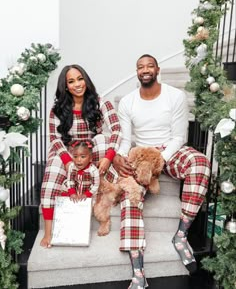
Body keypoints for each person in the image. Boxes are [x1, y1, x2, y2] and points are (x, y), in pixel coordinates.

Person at [113, 54, 211, 289]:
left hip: (170, 150)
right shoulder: (127, 102)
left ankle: (181, 235)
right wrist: (120, 157)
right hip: (142, 154)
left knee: (200, 163)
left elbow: (180, 137)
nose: (145, 70)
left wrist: (159, 161)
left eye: (149, 66)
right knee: (130, 196)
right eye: (140, 67)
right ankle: (138, 274)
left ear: (157, 70)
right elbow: (126, 140)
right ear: (136, 72)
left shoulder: (175, 96)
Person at [40, 64, 122, 248]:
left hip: (91, 148)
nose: (77, 84)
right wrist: (67, 161)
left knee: (103, 138)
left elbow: (116, 129)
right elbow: (54, 137)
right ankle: (47, 232)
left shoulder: (102, 103)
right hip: (67, 149)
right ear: (65, 86)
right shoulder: (57, 109)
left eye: (80, 79)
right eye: (71, 81)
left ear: (86, 80)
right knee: (51, 173)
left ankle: (101, 189)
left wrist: (109, 157)